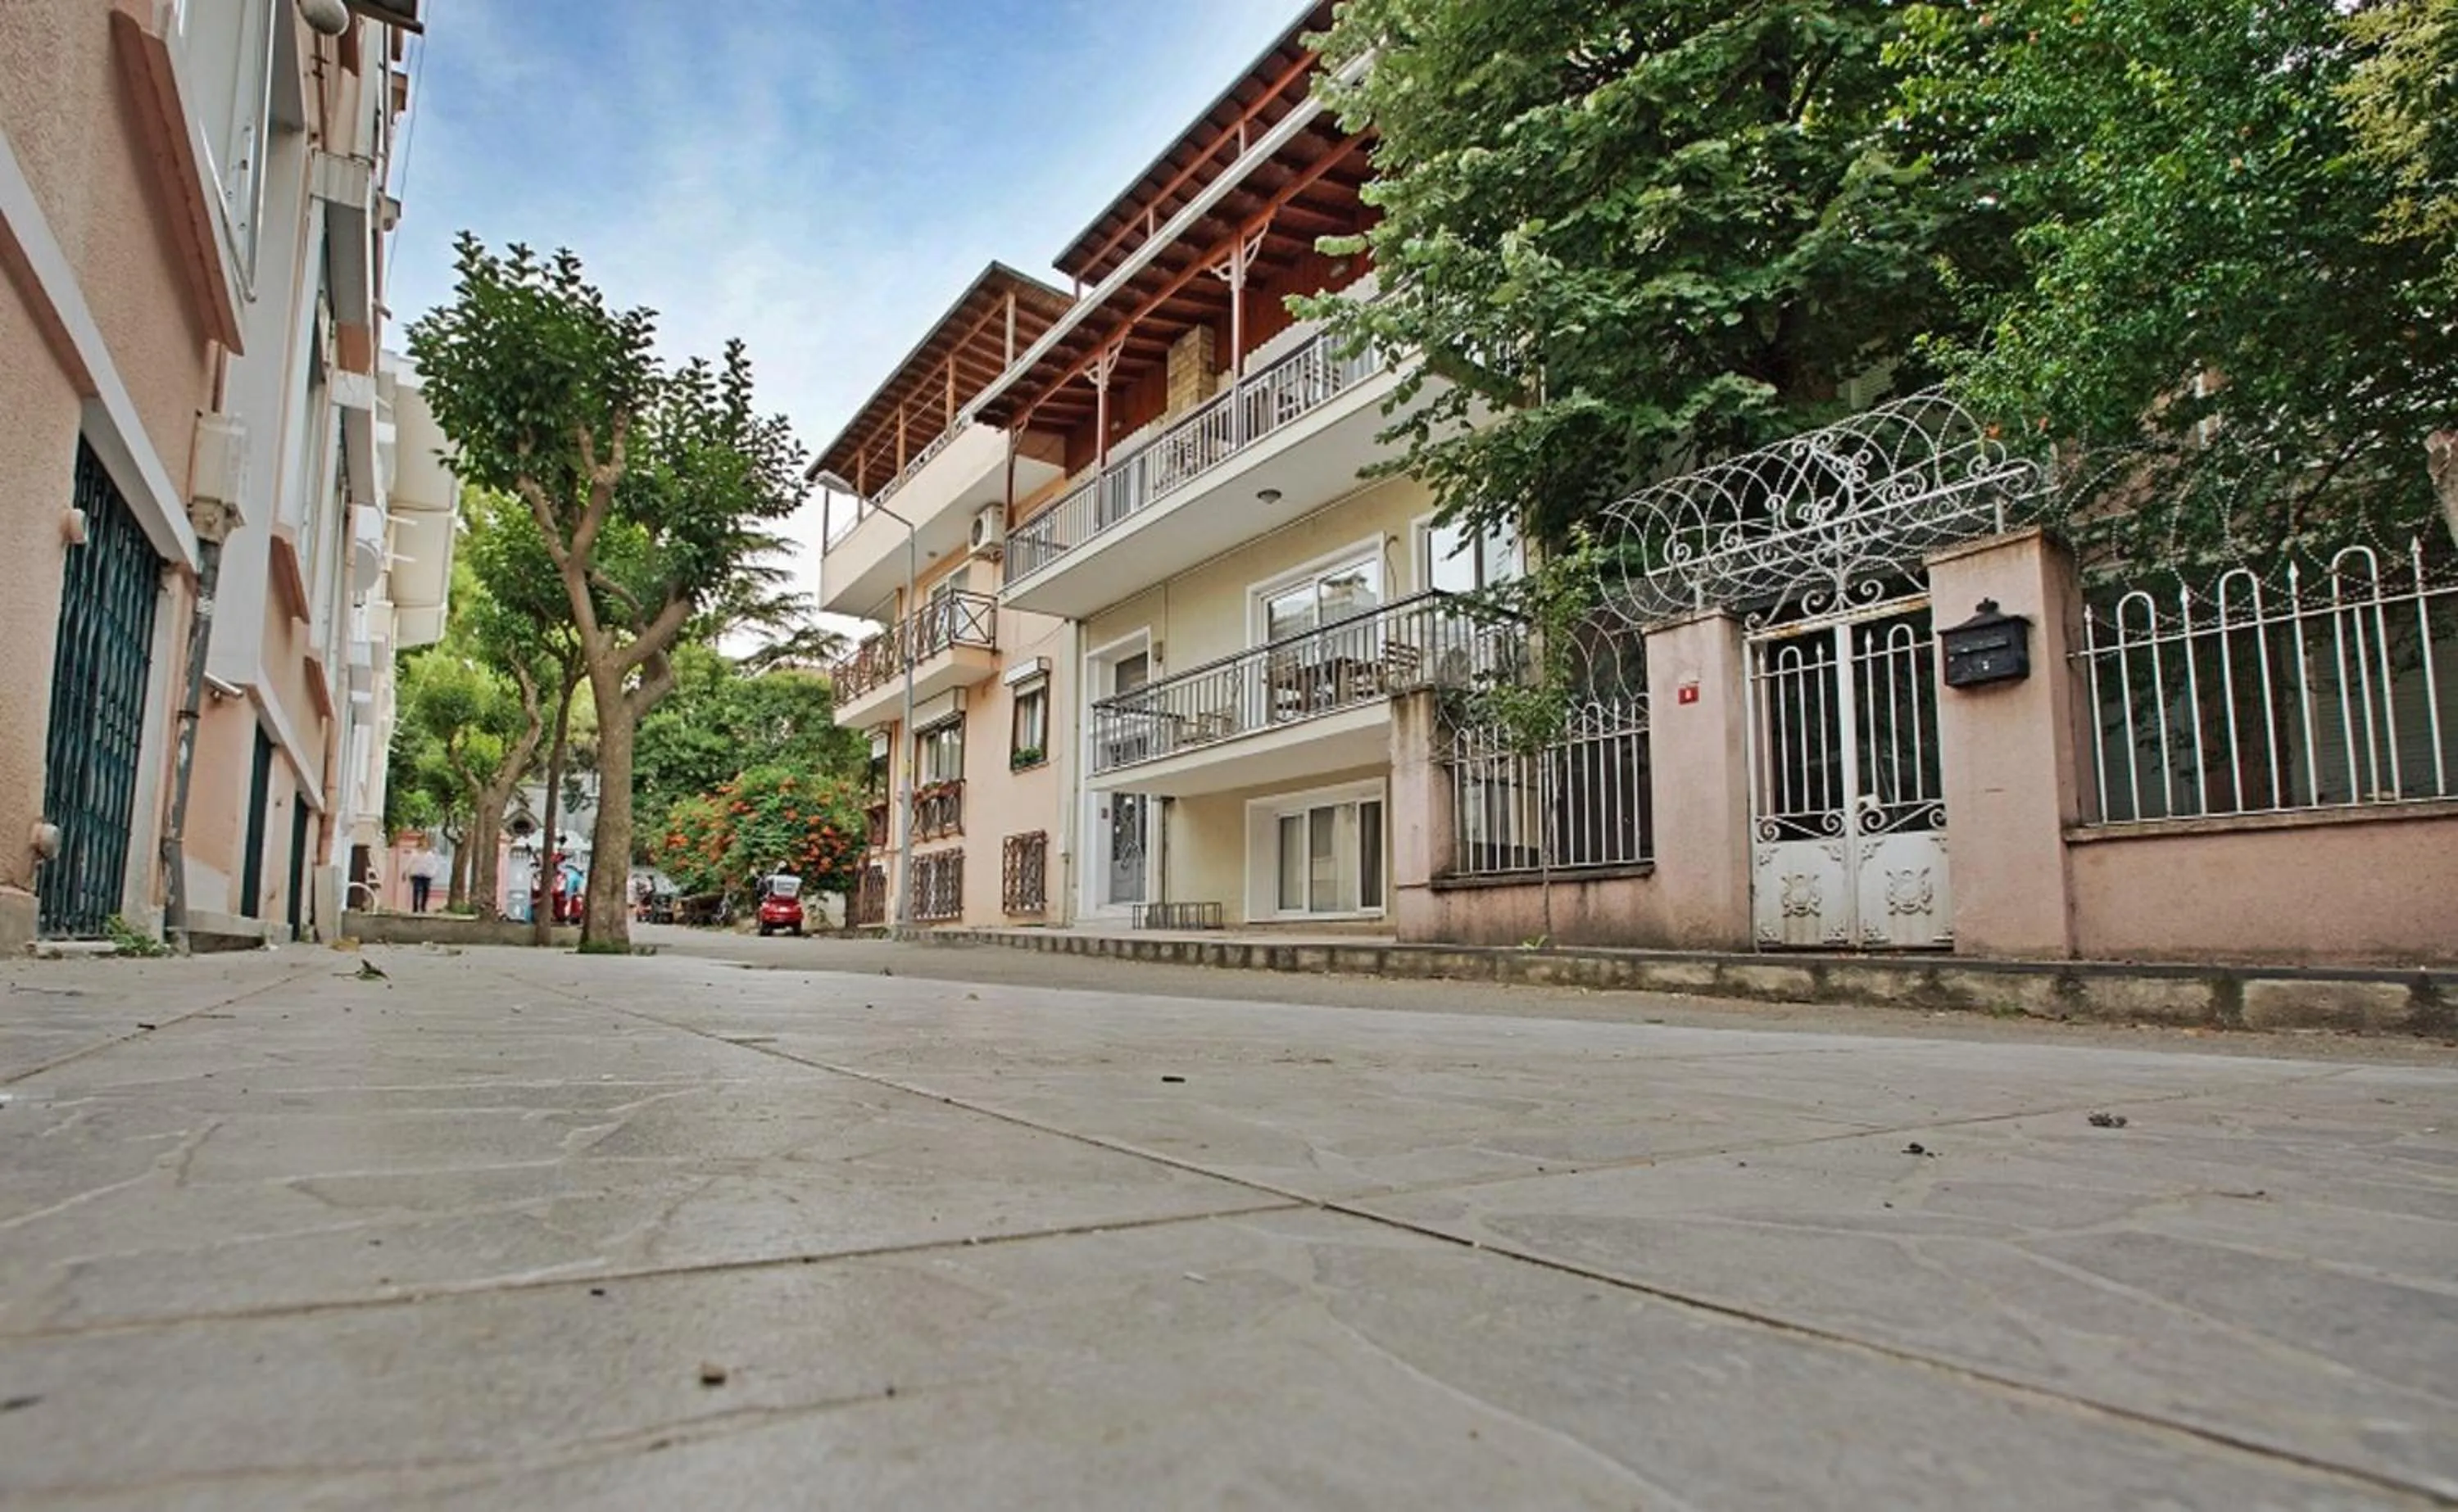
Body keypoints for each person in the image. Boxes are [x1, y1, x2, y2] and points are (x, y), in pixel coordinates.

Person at [407, 843, 442, 914]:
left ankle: (423, 906)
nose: (423, 848)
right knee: (416, 891)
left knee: (426, 892)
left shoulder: (430, 855)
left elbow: (434, 865)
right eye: (421, 846)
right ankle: (415, 908)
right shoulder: (414, 854)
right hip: (416, 875)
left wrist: (433, 874)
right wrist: (407, 872)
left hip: (427, 876)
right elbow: (409, 863)